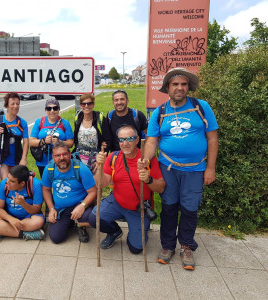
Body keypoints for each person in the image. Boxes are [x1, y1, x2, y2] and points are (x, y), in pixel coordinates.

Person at [140, 67, 219, 270]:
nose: (180, 88)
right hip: (168, 169)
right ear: (168, 88)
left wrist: (210, 168)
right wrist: (146, 160)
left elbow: (212, 138)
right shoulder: (160, 112)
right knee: (169, 207)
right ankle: (167, 246)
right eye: (175, 84)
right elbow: (151, 142)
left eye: (184, 84)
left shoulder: (202, 107)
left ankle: (186, 246)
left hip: (195, 169)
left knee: (190, 209)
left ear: (188, 87)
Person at [88, 125, 165, 253]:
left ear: (137, 140)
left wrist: (148, 180)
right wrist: (99, 166)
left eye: (130, 139)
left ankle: (136, 230)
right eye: (121, 139)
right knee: (94, 218)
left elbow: (161, 188)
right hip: (117, 202)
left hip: (139, 208)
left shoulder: (147, 159)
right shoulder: (113, 157)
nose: (125, 143)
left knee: (136, 248)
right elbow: (101, 184)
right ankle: (115, 232)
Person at [42, 141, 97, 244]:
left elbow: (93, 191)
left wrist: (83, 205)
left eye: (65, 154)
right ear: (53, 157)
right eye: (57, 155)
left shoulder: (81, 169)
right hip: (61, 209)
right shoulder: (49, 169)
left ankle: (81, 225)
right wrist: (51, 209)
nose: (61, 157)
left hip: (79, 204)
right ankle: (71, 222)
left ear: (70, 155)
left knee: (89, 217)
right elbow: (46, 189)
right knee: (56, 238)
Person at [0, 165, 45, 240]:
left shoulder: (36, 185)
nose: (7, 182)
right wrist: (11, 219)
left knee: (38, 222)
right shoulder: (4, 184)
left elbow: (36, 210)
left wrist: (23, 204)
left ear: (22, 184)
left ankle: (4, 231)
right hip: (9, 217)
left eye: (12, 181)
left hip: (28, 217)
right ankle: (25, 234)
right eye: (8, 178)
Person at [29, 99, 74, 177]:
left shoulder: (65, 123)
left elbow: (70, 143)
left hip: (61, 160)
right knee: (46, 185)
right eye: (49, 108)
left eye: (55, 108)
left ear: (59, 110)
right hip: (43, 162)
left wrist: (59, 142)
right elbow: (31, 141)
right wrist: (44, 141)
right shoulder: (39, 122)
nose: (52, 111)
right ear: (46, 110)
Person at [0, 92, 29, 181]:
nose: (15, 106)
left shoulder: (22, 122)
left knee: (15, 183)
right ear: (7, 105)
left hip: (16, 158)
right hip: (2, 158)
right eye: (12, 104)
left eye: (17, 104)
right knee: (5, 182)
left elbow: (26, 141)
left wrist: (24, 159)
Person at [73, 93, 108, 174]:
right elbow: (76, 139)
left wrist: (99, 160)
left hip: (95, 160)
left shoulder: (100, 118)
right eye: (83, 104)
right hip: (79, 159)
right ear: (80, 105)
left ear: (93, 105)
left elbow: (107, 140)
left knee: (94, 184)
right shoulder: (77, 118)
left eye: (89, 103)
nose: (86, 106)